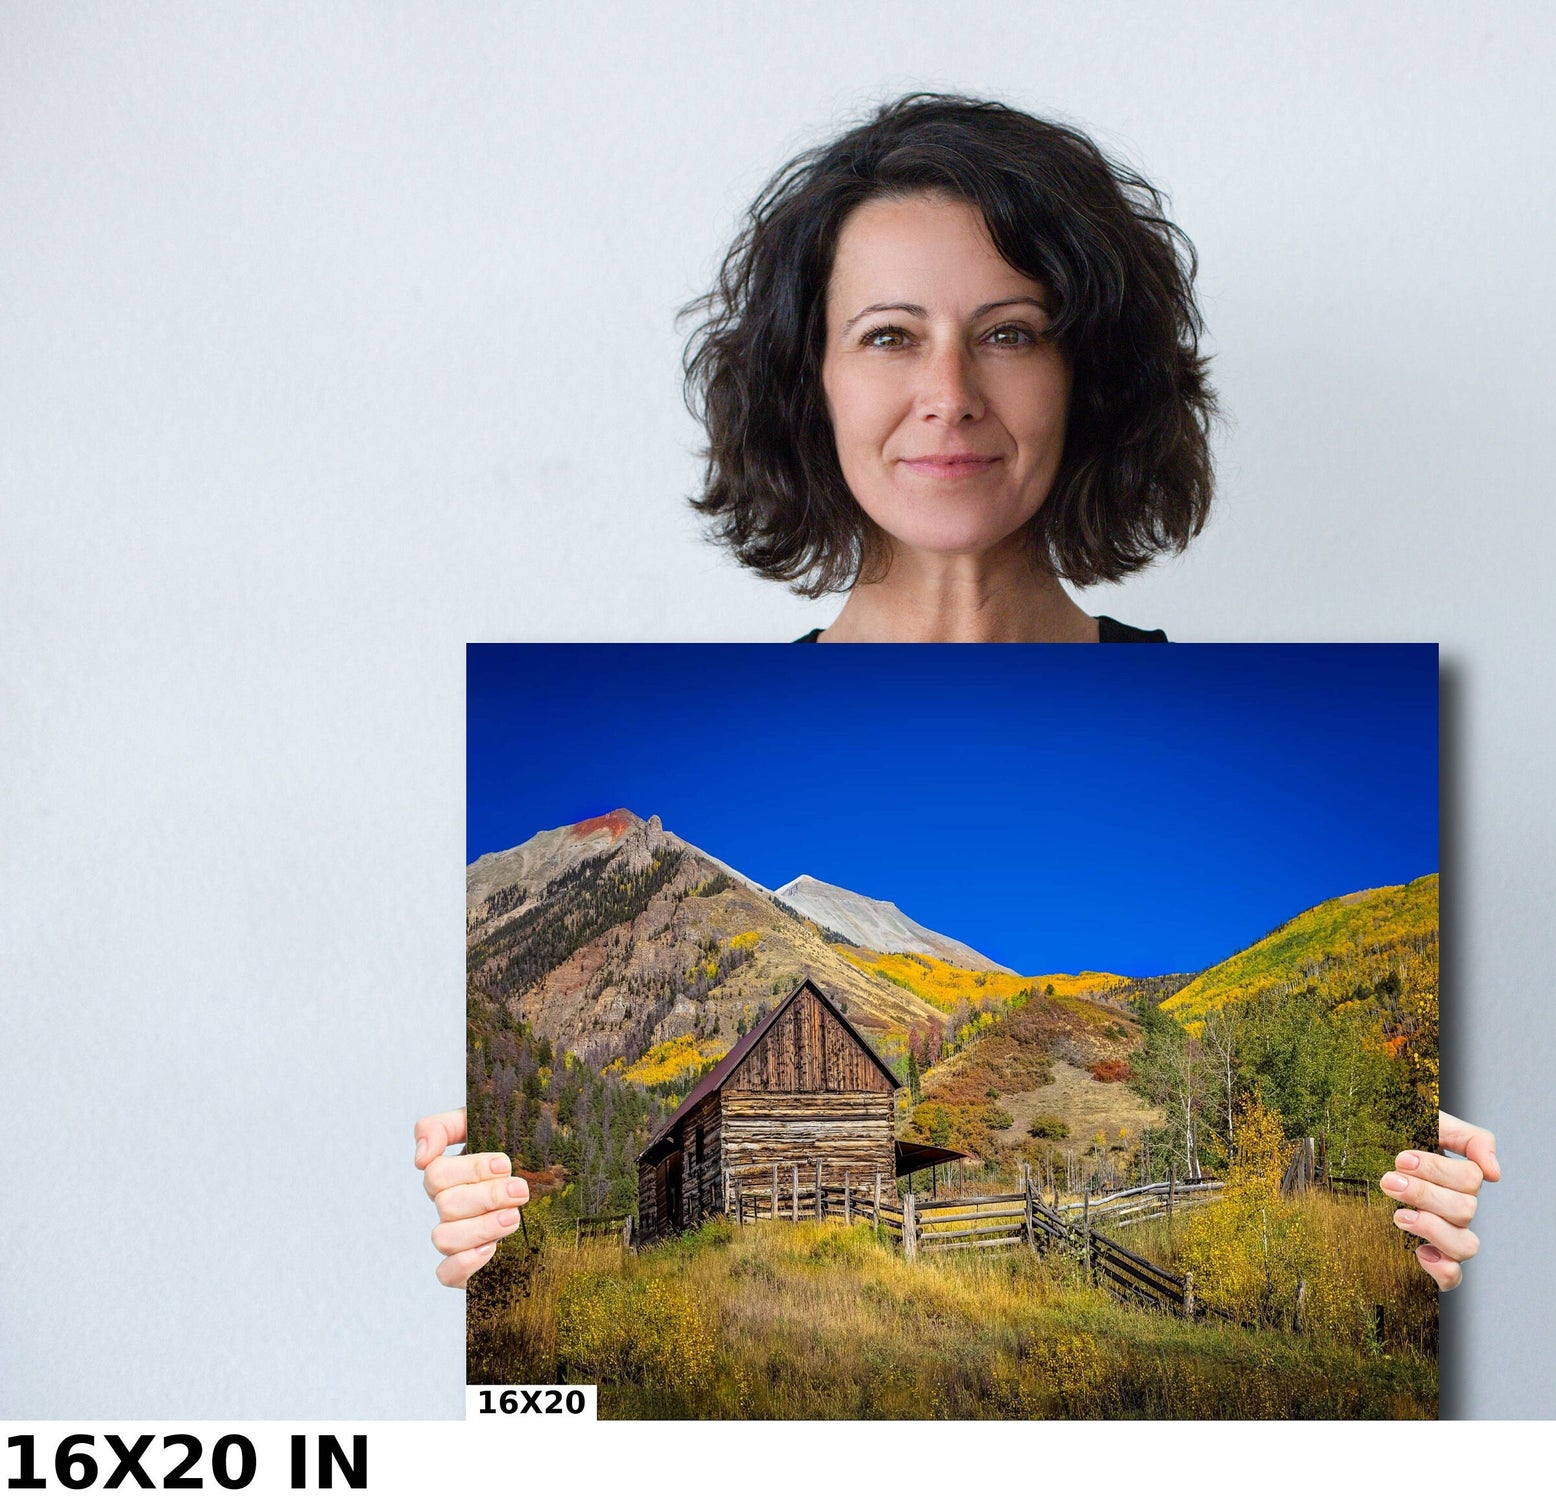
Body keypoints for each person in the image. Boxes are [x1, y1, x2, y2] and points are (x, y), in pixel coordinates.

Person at [418, 93, 1498, 1294]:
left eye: (1010, 332)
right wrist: (492, 1266)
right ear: (808, 381)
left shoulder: (1247, 727)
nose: (950, 392)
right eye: (888, 335)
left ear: (1088, 377)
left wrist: (1429, 1241)